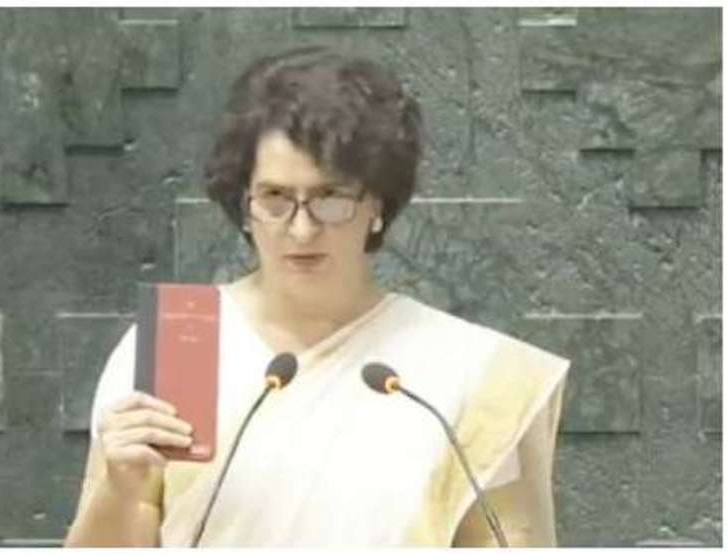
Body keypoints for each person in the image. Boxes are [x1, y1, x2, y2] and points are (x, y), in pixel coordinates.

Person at [64, 46, 570, 547]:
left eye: (331, 197)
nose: (302, 229)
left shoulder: (473, 373)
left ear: (377, 205)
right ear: (244, 206)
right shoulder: (176, 345)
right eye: (276, 198)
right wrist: (121, 490)